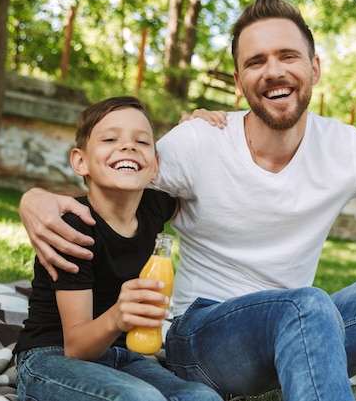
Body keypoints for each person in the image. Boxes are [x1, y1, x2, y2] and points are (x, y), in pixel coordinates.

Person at [18, 0, 356, 401]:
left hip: (307, 334)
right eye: (255, 61)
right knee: (307, 305)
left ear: (314, 68)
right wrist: (36, 198)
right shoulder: (197, 143)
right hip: (205, 339)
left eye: (287, 56)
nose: (273, 71)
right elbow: (115, 184)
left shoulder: (349, 147)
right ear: (239, 82)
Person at [13, 96, 221, 401]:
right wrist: (117, 318)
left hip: (123, 356)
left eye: (142, 141)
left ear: (155, 166)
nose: (128, 146)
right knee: (139, 398)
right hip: (51, 358)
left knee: (203, 398)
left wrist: (198, 127)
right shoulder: (72, 228)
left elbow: (204, 169)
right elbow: (76, 346)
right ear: (80, 161)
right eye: (110, 139)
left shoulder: (154, 207)